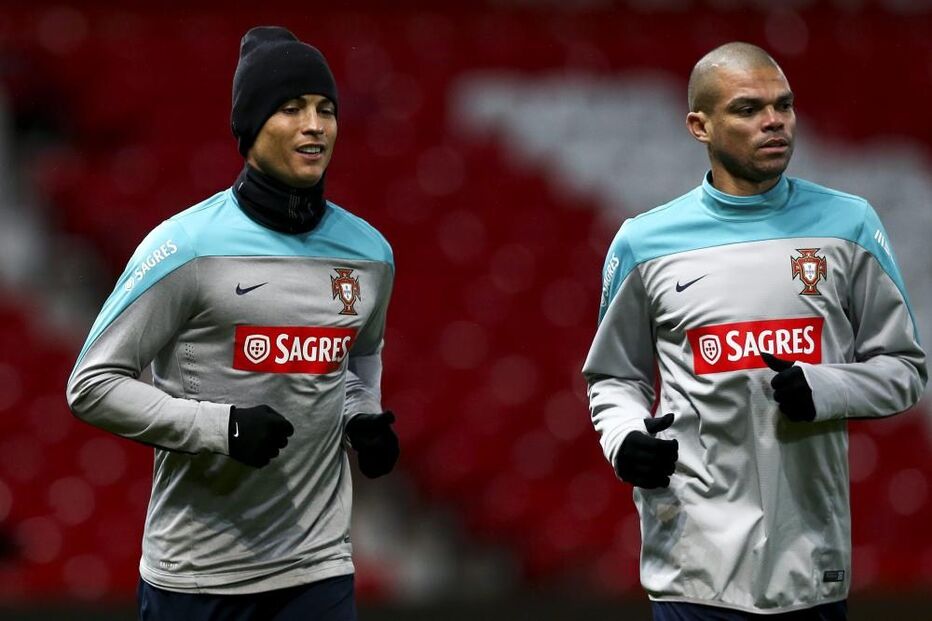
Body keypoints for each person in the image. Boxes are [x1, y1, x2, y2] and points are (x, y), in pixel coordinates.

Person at [583, 42, 926, 620]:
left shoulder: (849, 225)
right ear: (700, 125)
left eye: (784, 106)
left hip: (810, 564)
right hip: (691, 565)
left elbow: (905, 369)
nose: (775, 122)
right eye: (748, 109)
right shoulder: (643, 243)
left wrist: (824, 388)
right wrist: (623, 437)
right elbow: (614, 376)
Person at [66, 26, 399, 621]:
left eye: (326, 109)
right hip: (196, 575)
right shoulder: (187, 247)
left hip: (316, 567)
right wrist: (221, 428)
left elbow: (357, 359)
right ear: (249, 129)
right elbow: (91, 385)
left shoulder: (370, 254)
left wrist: (363, 416)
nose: (315, 125)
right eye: (291, 108)